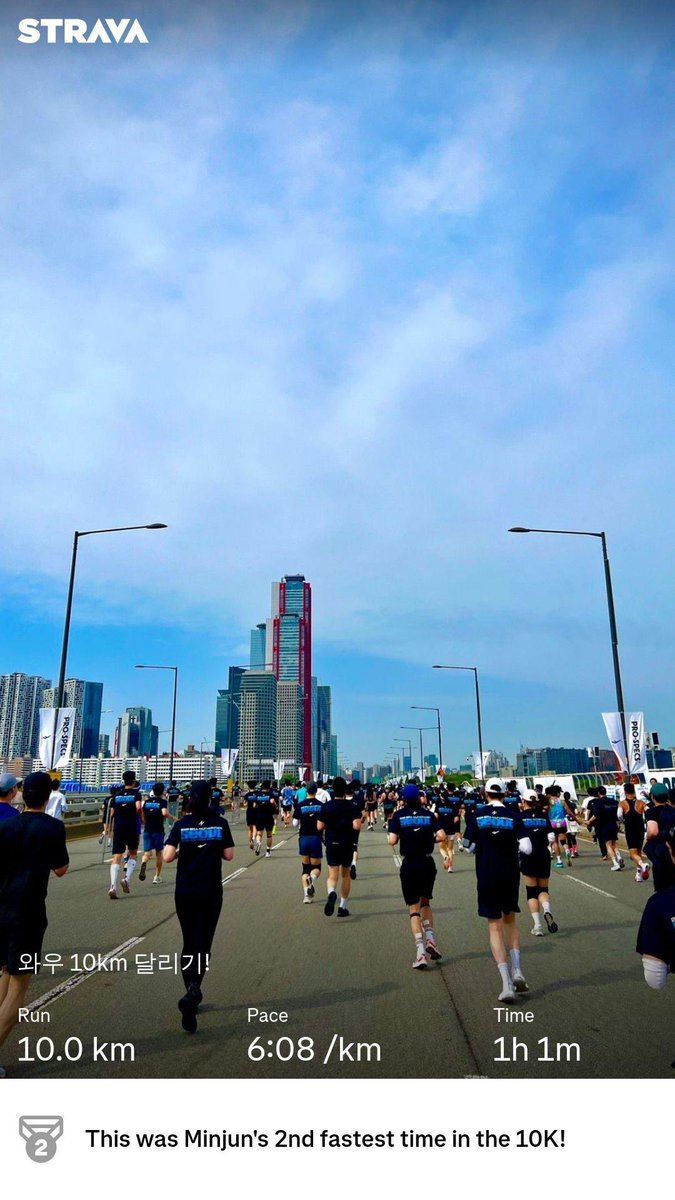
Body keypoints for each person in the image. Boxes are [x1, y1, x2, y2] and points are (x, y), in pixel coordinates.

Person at [0, 771, 69, 1077]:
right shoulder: (52, 827)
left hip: (1, 909)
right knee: (18, 990)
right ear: (47, 797)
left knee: (4, 975)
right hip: (28, 913)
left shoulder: (7, 825)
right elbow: (61, 869)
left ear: (22, 794)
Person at [163, 781, 234, 1032]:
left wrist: (185, 849)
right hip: (211, 891)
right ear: (210, 799)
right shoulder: (220, 823)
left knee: (188, 943)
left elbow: (168, 856)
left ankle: (190, 991)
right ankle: (194, 990)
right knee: (204, 943)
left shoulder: (181, 825)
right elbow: (229, 855)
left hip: (185, 891)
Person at [464, 782, 530, 1002]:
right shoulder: (514, 817)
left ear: (485, 794)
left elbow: (468, 845)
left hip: (486, 874)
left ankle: (506, 984)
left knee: (494, 927)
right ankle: (518, 970)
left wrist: (483, 844)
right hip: (510, 874)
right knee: (510, 920)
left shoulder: (476, 816)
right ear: (505, 794)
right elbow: (527, 847)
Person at [387, 783, 445, 968]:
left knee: (414, 908)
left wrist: (403, 835)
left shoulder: (398, 816)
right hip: (427, 863)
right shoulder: (428, 815)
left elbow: (392, 840)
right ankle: (431, 939)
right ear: (419, 798)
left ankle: (420, 952)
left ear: (403, 798)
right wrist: (429, 838)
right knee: (426, 901)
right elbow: (442, 836)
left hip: (410, 864)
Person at [316, 777, 361, 917]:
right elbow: (357, 825)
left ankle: (331, 893)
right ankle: (342, 907)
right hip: (347, 844)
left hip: (332, 843)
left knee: (332, 876)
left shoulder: (327, 806)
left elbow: (319, 826)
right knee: (345, 875)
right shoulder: (351, 806)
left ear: (333, 789)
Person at [519, 794, 558, 935]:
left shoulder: (520, 817)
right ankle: (547, 910)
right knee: (543, 889)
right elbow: (551, 837)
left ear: (524, 801)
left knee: (531, 893)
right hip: (543, 855)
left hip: (528, 857)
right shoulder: (543, 816)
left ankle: (537, 926)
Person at [107, 770, 142, 898]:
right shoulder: (136, 794)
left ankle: (112, 886)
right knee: (133, 853)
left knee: (117, 856)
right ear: (133, 781)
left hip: (119, 827)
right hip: (131, 826)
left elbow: (112, 812)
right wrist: (141, 818)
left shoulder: (117, 795)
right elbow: (138, 807)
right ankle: (126, 878)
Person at [139, 782, 174, 883]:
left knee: (147, 853)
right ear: (162, 791)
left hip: (147, 829)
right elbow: (164, 812)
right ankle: (156, 876)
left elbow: (142, 813)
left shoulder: (146, 802)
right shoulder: (162, 802)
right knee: (159, 853)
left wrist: (144, 820)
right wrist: (172, 817)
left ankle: (144, 862)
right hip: (158, 830)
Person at [293, 783, 323, 903]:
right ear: (316, 791)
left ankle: (307, 896)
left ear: (306, 791)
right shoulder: (321, 806)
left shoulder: (300, 805)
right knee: (316, 867)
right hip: (316, 838)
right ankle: (312, 878)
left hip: (304, 838)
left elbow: (295, 823)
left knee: (305, 868)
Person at [644, 783, 675, 892]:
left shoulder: (651, 812)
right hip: (672, 848)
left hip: (662, 852)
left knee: (663, 889)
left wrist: (647, 838)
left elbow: (653, 831)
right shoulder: (672, 810)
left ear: (652, 796)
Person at [587, 786, 624, 871]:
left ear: (599, 793)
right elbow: (618, 814)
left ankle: (615, 863)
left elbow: (596, 815)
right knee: (614, 843)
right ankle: (619, 856)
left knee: (608, 845)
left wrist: (589, 821)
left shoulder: (599, 803)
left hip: (604, 825)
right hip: (613, 824)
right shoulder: (614, 802)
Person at [619, 783, 650, 882]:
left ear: (625, 792)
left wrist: (623, 820)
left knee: (632, 853)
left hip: (630, 828)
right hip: (640, 827)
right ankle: (639, 874)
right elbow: (648, 811)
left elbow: (619, 815)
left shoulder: (622, 803)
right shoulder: (641, 802)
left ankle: (642, 864)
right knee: (638, 850)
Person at [548, 786, 571, 868]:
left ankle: (559, 861)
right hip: (562, 822)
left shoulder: (549, 802)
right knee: (563, 841)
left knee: (555, 842)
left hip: (552, 823)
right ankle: (567, 850)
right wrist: (576, 819)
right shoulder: (562, 802)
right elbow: (569, 812)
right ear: (557, 793)